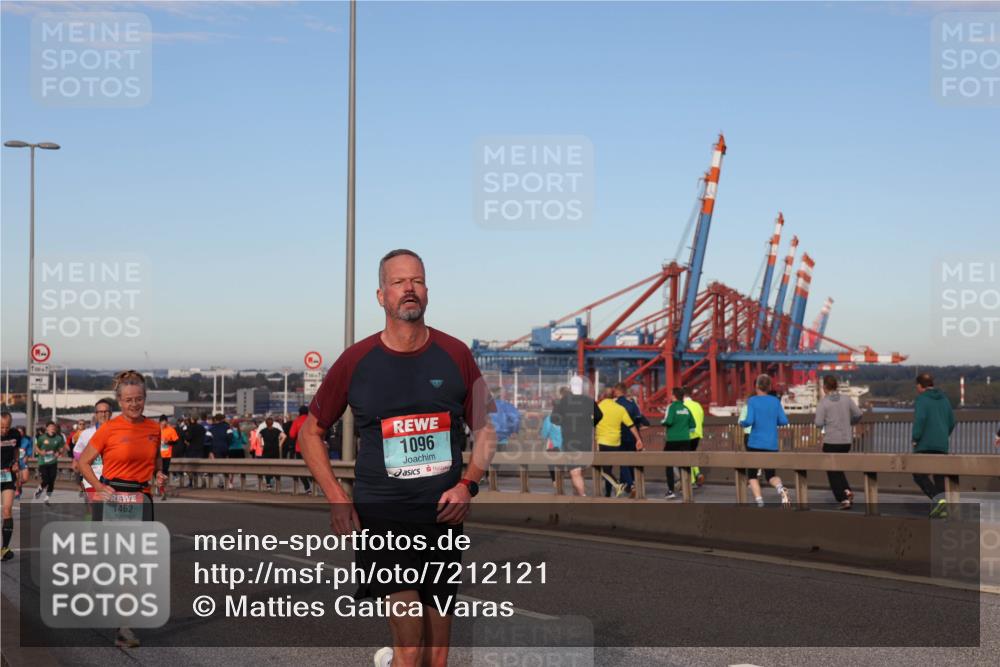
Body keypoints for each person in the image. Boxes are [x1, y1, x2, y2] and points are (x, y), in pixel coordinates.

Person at [296, 249, 496, 667]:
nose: (409, 289)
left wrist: (467, 484)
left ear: (426, 292)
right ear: (380, 295)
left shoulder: (456, 354)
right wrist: (335, 495)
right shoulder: (357, 360)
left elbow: (486, 431)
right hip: (383, 516)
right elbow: (310, 433)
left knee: (437, 653)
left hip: (443, 518)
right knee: (411, 643)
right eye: (399, 282)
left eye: (417, 281)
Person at [78, 371, 166, 649]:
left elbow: (155, 460)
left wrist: (159, 474)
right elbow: (83, 462)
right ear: (119, 401)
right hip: (114, 497)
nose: (134, 404)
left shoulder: (154, 428)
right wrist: (99, 487)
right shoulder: (109, 429)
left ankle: (124, 625)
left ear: (145, 399)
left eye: (139, 399)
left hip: (141, 497)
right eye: (128, 400)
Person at [739, 374, 791, 508]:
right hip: (771, 444)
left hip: (755, 443)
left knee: (752, 475)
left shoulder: (753, 401)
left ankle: (760, 501)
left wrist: (742, 423)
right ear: (769, 387)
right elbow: (784, 421)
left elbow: (749, 421)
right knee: (771, 475)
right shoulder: (775, 401)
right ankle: (780, 488)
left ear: (756, 386)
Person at [911, 372, 956, 518]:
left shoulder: (921, 399)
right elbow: (952, 421)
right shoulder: (944, 399)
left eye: (916, 386)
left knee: (918, 473)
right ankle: (942, 509)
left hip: (925, 444)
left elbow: (920, 420)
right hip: (941, 443)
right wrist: (944, 435)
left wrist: (915, 438)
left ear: (919, 386)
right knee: (939, 476)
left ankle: (939, 501)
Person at [815, 375, 862, 509]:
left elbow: (818, 423)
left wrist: (826, 424)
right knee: (838, 468)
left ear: (824, 388)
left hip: (831, 441)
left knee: (832, 470)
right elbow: (858, 414)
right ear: (836, 386)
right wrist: (850, 423)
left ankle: (843, 498)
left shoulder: (823, 403)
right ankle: (847, 491)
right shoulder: (846, 399)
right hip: (846, 441)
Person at [551, 377, 602, 496]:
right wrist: (591, 424)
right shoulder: (589, 401)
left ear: (570, 387)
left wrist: (563, 422)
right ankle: (577, 495)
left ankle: (583, 498)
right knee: (580, 470)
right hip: (586, 440)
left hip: (570, 440)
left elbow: (554, 419)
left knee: (575, 471)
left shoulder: (562, 401)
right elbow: (599, 415)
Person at [596, 387, 644, 497]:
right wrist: (638, 439)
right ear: (613, 396)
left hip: (603, 442)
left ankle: (616, 487)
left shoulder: (598, 407)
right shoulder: (620, 408)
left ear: (603, 396)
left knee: (606, 470)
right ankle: (627, 486)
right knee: (619, 465)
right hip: (616, 442)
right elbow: (631, 425)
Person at [73, 400, 113, 503]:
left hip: (113, 478)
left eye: (106, 411)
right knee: (96, 506)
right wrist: (82, 463)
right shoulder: (86, 434)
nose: (103, 414)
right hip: (92, 478)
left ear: (111, 413)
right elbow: (77, 451)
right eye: (100, 411)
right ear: (96, 414)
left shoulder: (118, 433)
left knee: (109, 510)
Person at [614, 382, 649, 497]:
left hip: (620, 436)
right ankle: (630, 485)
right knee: (632, 460)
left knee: (622, 460)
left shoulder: (615, 404)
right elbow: (639, 419)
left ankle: (630, 484)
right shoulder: (632, 403)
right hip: (634, 436)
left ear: (617, 391)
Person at [661, 387, 696, 500]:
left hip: (672, 440)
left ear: (674, 396)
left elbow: (669, 421)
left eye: (671, 394)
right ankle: (686, 489)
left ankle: (671, 490)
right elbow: (693, 425)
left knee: (669, 465)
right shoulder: (686, 409)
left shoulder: (672, 407)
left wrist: (663, 422)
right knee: (685, 464)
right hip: (685, 440)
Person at [1, 412, 19, 562]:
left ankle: (4, 548)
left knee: (7, 509)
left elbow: (16, 450)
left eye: (7, 427)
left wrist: (16, 462)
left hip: (7, 476)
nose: (4, 430)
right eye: (1, 427)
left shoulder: (15, 435)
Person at [33, 421, 64, 503]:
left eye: (53, 427)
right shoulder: (42, 438)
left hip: (53, 462)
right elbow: (36, 447)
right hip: (43, 462)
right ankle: (40, 488)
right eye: (50, 427)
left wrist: (59, 452)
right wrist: (40, 452)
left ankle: (47, 497)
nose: (52, 428)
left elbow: (61, 448)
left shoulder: (58, 438)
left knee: (52, 480)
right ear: (47, 428)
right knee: (46, 480)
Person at [682, 390, 705, 488]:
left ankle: (691, 481)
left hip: (688, 434)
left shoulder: (683, 406)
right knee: (692, 453)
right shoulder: (698, 405)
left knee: (687, 456)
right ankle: (697, 473)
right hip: (698, 434)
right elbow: (702, 419)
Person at [206, 413, 234, 488]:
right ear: (223, 419)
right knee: (227, 465)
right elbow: (231, 438)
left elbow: (207, 440)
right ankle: (228, 482)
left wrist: (210, 450)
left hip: (215, 449)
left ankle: (221, 482)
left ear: (215, 420)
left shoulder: (211, 429)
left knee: (218, 466)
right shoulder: (227, 428)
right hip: (226, 449)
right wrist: (227, 444)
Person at [179, 415, 207, 487]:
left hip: (192, 449)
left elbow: (188, 438)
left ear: (192, 419)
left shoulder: (191, 428)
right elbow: (205, 436)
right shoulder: (201, 427)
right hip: (200, 449)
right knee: (199, 466)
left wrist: (184, 436)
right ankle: (202, 480)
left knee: (190, 467)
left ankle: (192, 482)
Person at [288, 406, 312, 493]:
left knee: (302, 469)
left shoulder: (297, 421)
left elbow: (291, 434)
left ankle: (307, 488)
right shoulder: (311, 420)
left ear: (299, 412)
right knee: (313, 467)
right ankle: (314, 483)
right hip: (312, 449)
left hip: (300, 449)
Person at [259, 416, 284, 490]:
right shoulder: (277, 430)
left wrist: (261, 444)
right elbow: (284, 436)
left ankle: (268, 484)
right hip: (275, 450)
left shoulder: (263, 430)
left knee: (266, 467)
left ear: (266, 423)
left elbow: (258, 436)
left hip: (266, 450)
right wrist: (280, 444)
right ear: (272, 423)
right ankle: (276, 482)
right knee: (275, 466)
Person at [158, 416, 180, 499]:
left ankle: (162, 489)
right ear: (160, 422)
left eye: (165, 423)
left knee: (164, 474)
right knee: (159, 473)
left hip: (167, 455)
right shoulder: (155, 429)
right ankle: (161, 489)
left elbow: (176, 441)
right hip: (157, 456)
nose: (164, 424)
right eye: (162, 423)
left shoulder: (171, 430)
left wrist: (168, 442)